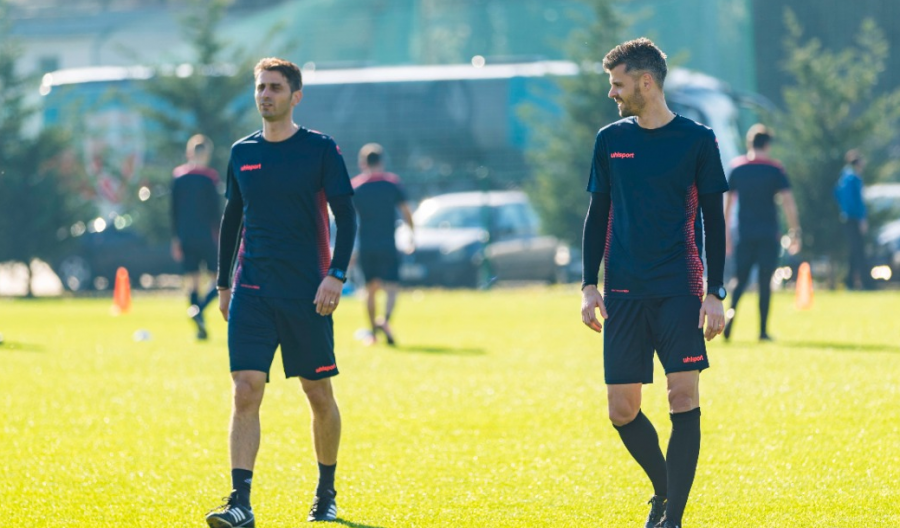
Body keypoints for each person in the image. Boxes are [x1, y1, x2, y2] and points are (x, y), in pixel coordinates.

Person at [580, 38, 728, 528]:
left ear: (646, 81)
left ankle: (674, 518)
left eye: (617, 83)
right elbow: (597, 213)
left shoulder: (698, 139)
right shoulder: (609, 140)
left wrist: (714, 292)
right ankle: (665, 493)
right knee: (622, 410)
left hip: (680, 290)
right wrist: (588, 284)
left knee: (682, 399)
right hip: (622, 291)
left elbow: (714, 220)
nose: (612, 93)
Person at [206, 57, 357, 527]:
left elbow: (347, 217)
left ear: (296, 95)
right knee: (246, 390)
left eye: (274, 87)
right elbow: (233, 219)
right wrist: (224, 283)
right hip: (252, 291)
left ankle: (325, 493)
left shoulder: (320, 150)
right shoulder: (240, 153)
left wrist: (336, 275)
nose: (265, 95)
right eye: (260, 87)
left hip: (307, 294)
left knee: (317, 393)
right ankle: (240, 502)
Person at [723, 125, 801, 342]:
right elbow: (788, 203)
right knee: (766, 282)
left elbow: (728, 206)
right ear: (767, 144)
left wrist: (726, 235)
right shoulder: (775, 170)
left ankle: (731, 317)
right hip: (768, 233)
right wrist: (795, 231)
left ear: (750, 143)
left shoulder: (737, 168)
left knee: (740, 279)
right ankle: (763, 330)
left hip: (744, 233)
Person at [350, 143, 414, 346]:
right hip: (388, 244)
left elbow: (347, 219)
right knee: (392, 287)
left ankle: (373, 334)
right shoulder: (392, 183)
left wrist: (349, 249)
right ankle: (384, 320)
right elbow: (406, 212)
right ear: (382, 161)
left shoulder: (356, 186)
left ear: (362, 163)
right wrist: (412, 234)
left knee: (370, 289)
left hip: (366, 245)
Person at [171, 134, 222, 339]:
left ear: (189, 152)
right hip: (207, 237)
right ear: (206, 154)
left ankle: (199, 327)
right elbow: (216, 212)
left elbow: (173, 211)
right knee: (218, 281)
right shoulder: (210, 178)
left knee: (192, 281)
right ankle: (199, 310)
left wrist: (175, 238)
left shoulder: (178, 177)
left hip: (185, 236)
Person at [834, 149, 872, 290]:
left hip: (846, 218)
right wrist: (861, 218)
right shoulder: (853, 179)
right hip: (854, 218)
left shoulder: (843, 178)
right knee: (859, 251)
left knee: (853, 250)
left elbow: (836, 194)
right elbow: (857, 202)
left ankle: (849, 282)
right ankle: (867, 283)